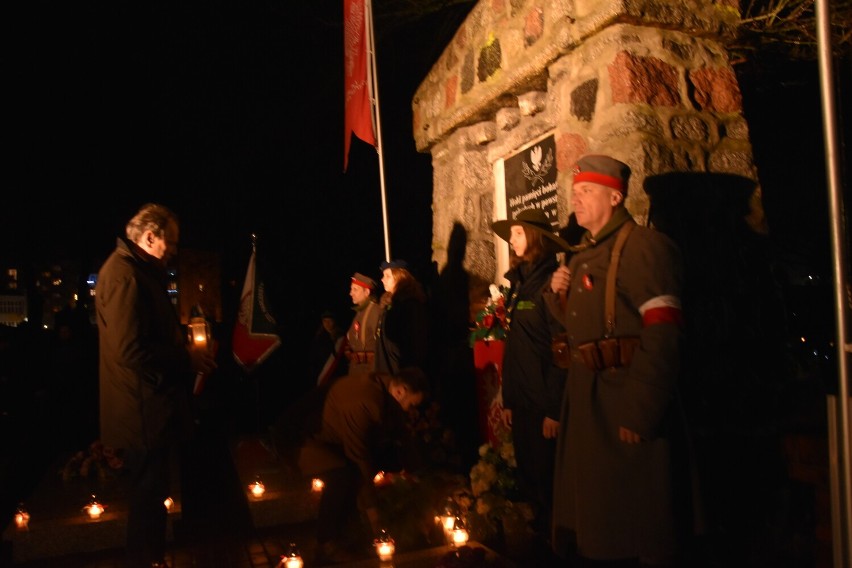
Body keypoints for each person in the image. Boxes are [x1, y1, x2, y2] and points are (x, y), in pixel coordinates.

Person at [543, 155, 685, 566]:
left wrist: (642, 408)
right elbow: (583, 325)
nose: (577, 200)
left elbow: (663, 331)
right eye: (575, 192)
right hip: (588, 401)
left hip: (621, 398)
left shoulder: (645, 248)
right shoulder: (584, 254)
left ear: (616, 196)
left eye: (587, 191)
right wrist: (558, 294)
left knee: (634, 527)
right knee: (596, 525)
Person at [96, 203, 217, 568]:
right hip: (142, 411)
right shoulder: (125, 276)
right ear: (150, 237)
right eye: (173, 243)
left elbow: (145, 334)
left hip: (149, 407)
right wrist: (187, 359)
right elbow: (130, 349)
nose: (175, 251)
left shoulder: (137, 272)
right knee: (148, 501)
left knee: (152, 497)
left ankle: (151, 560)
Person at [293, 366, 430, 565]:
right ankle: (326, 543)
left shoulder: (389, 392)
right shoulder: (364, 401)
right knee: (343, 475)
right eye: (411, 405)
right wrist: (373, 512)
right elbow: (359, 457)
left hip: (336, 437)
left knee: (386, 458)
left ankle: (350, 527)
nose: (411, 411)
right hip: (306, 438)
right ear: (400, 391)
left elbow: (403, 436)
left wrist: (420, 477)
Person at [490, 208, 570, 541]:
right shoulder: (523, 284)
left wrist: (554, 407)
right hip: (523, 402)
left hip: (543, 405)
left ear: (535, 237)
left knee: (550, 485)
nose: (511, 239)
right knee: (530, 480)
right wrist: (509, 399)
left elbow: (562, 349)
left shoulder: (551, 282)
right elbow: (517, 347)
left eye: (519, 233)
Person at [374, 259, 429, 377]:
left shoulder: (410, 306)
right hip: (386, 372)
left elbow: (414, 345)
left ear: (400, 277)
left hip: (401, 374)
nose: (382, 279)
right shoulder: (388, 306)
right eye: (383, 276)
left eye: (387, 276)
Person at [343, 272, 381, 376]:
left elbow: (380, 346)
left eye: (355, 289)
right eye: (351, 289)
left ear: (367, 292)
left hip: (368, 375)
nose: (351, 293)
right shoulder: (359, 313)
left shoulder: (374, 311)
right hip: (357, 373)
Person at [309, 310, 346, 388]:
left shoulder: (341, 337)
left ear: (334, 321)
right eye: (325, 321)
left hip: (338, 375)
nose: (327, 324)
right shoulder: (319, 338)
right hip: (323, 374)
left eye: (330, 321)